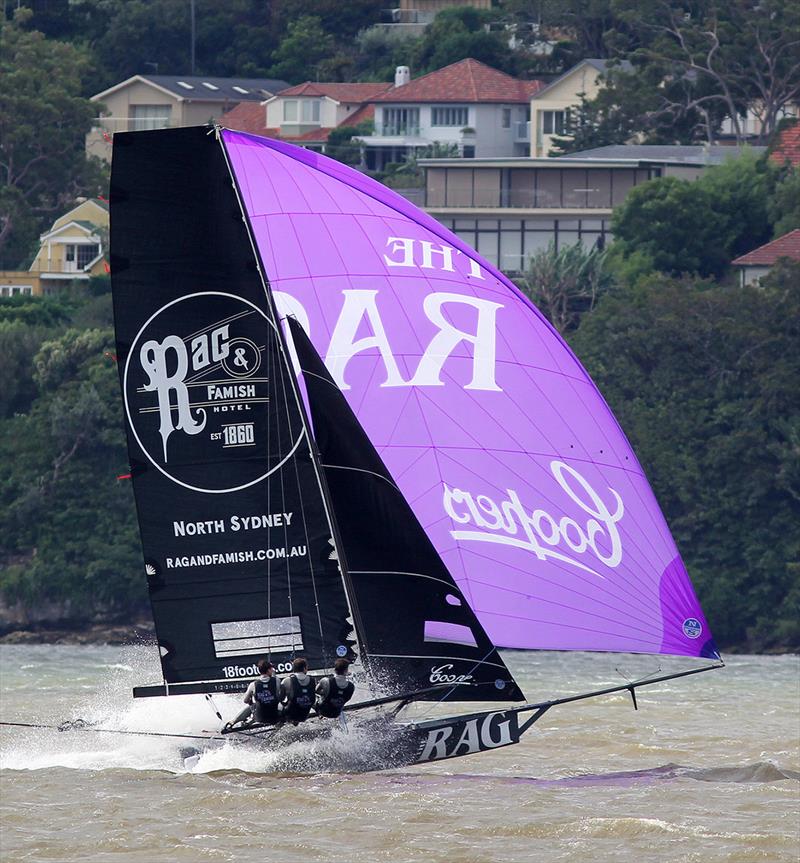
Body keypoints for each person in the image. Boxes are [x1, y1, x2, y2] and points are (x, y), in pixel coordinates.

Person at [225, 659, 279, 729]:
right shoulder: (277, 681)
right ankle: (249, 721)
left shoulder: (253, 685)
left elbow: (245, 700)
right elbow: (280, 696)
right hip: (275, 716)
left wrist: (251, 703)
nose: (272, 670)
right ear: (268, 670)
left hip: (260, 717)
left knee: (253, 706)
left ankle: (233, 722)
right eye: (271, 669)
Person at [280, 657, 316, 724]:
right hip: (304, 716)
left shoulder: (286, 681)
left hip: (290, 715)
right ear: (304, 668)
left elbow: (280, 698)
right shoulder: (312, 681)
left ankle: (279, 723)